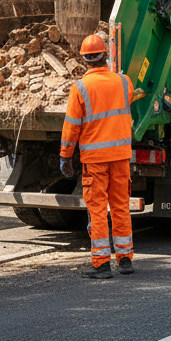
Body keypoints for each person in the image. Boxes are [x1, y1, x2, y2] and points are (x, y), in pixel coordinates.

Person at [61, 34, 137, 279]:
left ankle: (101, 263)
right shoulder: (125, 83)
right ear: (106, 55)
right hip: (121, 155)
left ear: (84, 60)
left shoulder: (80, 88)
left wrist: (65, 156)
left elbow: (72, 126)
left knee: (97, 209)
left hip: (95, 159)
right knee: (120, 206)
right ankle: (125, 259)